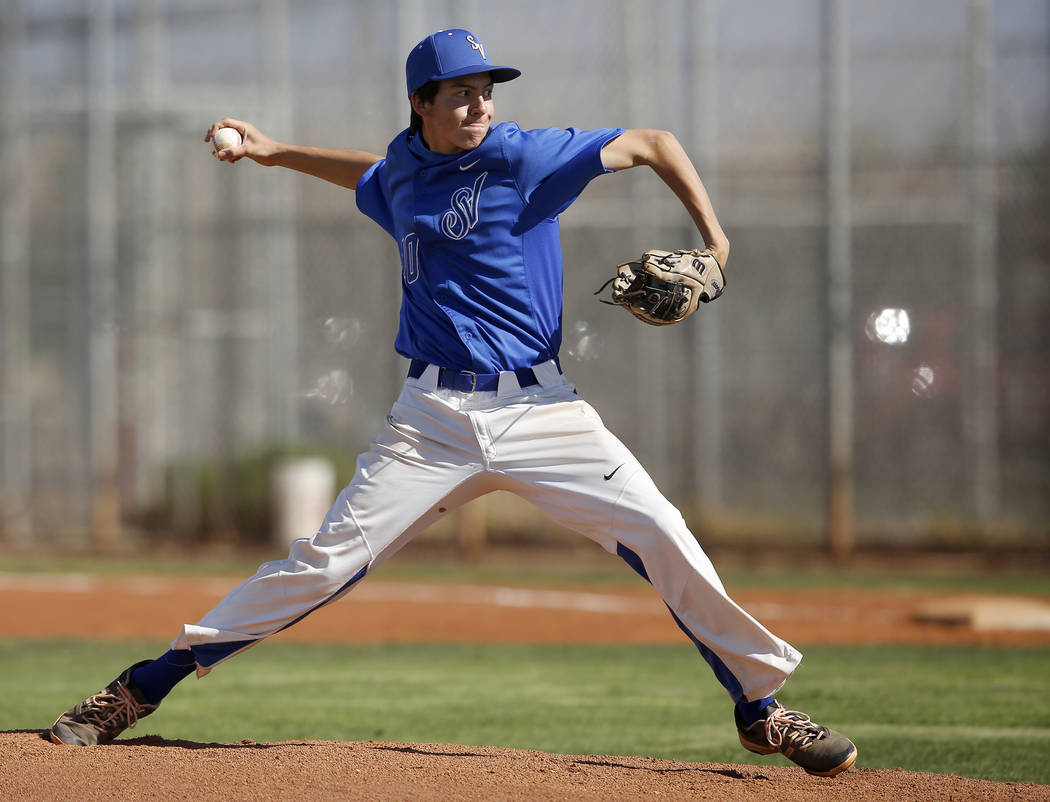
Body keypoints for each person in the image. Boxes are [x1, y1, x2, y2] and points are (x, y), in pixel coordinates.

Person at [48, 28, 857, 777]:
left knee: (661, 531)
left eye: (486, 88)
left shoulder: (523, 160)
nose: (480, 103)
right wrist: (272, 151)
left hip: (544, 414)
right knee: (322, 564)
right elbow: (367, 174)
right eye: (460, 91)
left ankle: (761, 709)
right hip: (430, 423)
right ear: (421, 105)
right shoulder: (403, 172)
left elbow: (653, 143)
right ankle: (138, 688)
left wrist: (715, 242)